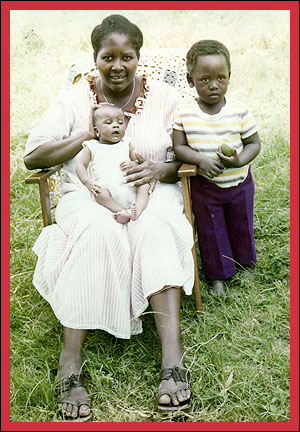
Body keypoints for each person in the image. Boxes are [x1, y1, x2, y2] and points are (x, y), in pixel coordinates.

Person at [24, 14, 194, 420]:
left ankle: (172, 361)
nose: (117, 66)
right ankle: (71, 362)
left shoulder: (164, 98)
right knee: (99, 230)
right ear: (94, 58)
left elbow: (183, 159)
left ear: (139, 58)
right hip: (88, 195)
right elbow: (33, 156)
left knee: (155, 226)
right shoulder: (73, 99)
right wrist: (85, 134)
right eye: (108, 57)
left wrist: (157, 171)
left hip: (149, 191)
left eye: (127, 57)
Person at [173, 39, 261, 298]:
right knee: (212, 230)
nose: (214, 85)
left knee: (240, 223)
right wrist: (200, 160)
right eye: (205, 79)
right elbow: (179, 147)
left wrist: (240, 159)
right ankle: (218, 276)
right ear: (191, 80)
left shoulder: (239, 111)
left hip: (239, 182)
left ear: (229, 77)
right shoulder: (185, 113)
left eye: (221, 78)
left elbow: (253, 143)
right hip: (205, 186)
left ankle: (245, 264)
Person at [76, 103, 150, 223]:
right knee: (100, 193)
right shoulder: (92, 146)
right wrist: (87, 182)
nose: (116, 126)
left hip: (129, 186)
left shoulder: (126, 143)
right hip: (108, 190)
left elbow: (137, 162)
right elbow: (80, 165)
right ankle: (121, 210)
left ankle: (138, 210)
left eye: (120, 123)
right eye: (108, 122)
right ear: (97, 130)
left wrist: (132, 165)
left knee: (144, 185)